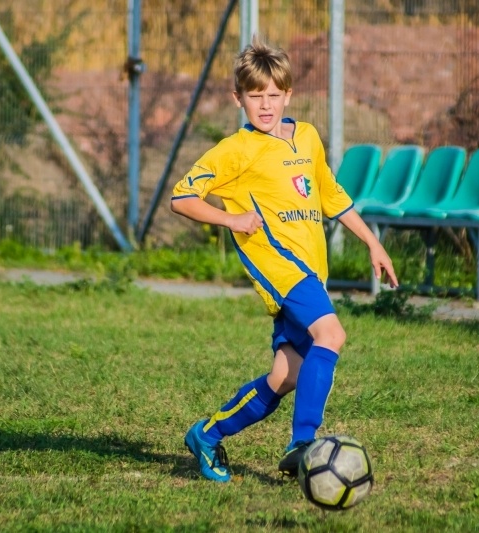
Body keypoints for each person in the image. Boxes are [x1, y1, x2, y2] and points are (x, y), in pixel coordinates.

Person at [170, 34, 399, 482]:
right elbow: (182, 197)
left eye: (274, 95)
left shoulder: (307, 137)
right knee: (331, 333)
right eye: (255, 96)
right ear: (238, 98)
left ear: (289, 94)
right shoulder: (235, 150)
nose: (266, 104)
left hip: (311, 273)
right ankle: (304, 443)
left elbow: (333, 197)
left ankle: (207, 434)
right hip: (279, 269)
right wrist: (232, 219)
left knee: (286, 376)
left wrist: (372, 242)